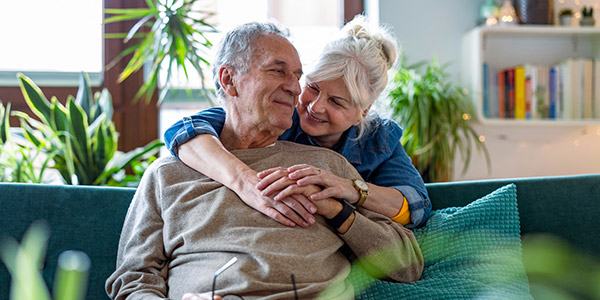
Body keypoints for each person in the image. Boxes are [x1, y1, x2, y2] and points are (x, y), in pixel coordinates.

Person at [106, 21, 423, 300]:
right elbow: (133, 279)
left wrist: (340, 209)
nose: (297, 90)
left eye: (297, 76)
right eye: (278, 71)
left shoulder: (329, 169)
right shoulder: (170, 173)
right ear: (229, 80)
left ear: (361, 113)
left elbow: (409, 255)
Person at [164, 15, 431, 230]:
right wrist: (245, 182)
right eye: (313, 88)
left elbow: (416, 205)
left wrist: (350, 188)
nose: (315, 106)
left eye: (336, 102)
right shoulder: (279, 116)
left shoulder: (379, 138)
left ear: (363, 111)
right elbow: (184, 131)